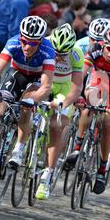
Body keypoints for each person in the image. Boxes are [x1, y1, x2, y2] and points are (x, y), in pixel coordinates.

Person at [0, 16, 55, 183]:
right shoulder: (13, 43)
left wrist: (33, 100)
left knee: (26, 105)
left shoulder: (48, 51)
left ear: (40, 41)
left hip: (35, 80)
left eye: (32, 43)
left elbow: (46, 86)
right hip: (16, 75)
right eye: (24, 41)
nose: (27, 46)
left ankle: (19, 148)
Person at [69, 28, 110, 195]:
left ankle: (102, 168)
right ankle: (77, 147)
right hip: (97, 82)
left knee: (108, 122)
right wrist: (76, 94)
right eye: (109, 48)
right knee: (89, 105)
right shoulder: (94, 49)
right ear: (102, 45)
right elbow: (81, 74)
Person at [35, 23, 84, 200]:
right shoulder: (44, 44)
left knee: (56, 127)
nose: (58, 57)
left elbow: (77, 86)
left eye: (63, 54)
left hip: (64, 87)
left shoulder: (77, 54)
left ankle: (46, 176)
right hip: (45, 81)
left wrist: (63, 102)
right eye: (55, 52)